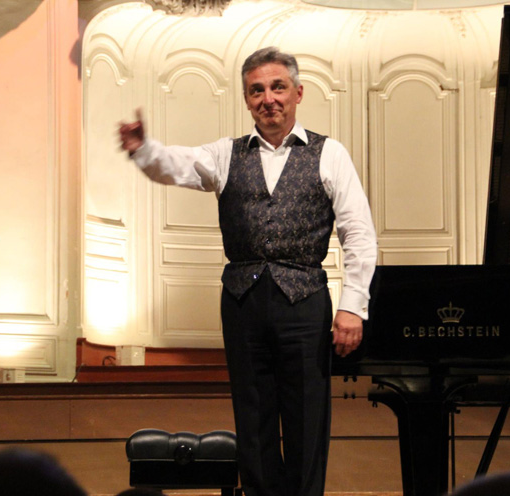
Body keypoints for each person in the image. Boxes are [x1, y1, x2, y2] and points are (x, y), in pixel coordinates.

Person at [118, 46, 377, 496]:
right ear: (246, 99)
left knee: (306, 420)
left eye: (277, 87)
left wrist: (353, 306)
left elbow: (359, 232)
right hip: (243, 304)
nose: (268, 98)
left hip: (305, 303)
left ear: (298, 93)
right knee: (253, 418)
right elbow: (176, 165)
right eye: (256, 90)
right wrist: (143, 150)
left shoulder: (329, 153)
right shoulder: (225, 154)